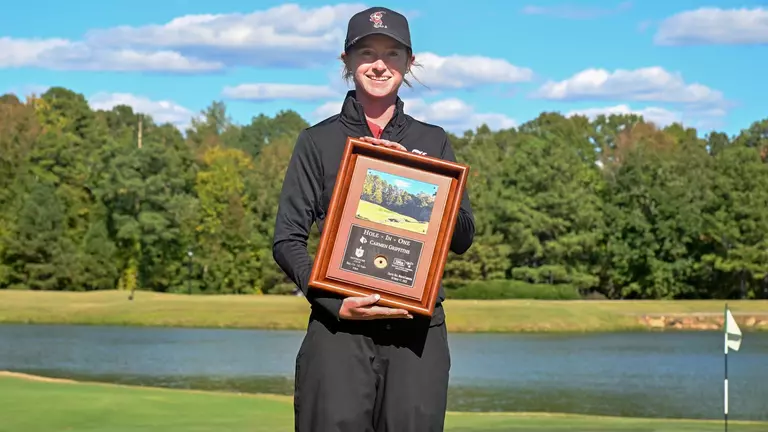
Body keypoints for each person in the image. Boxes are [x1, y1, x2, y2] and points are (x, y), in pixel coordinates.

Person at [272, 6, 475, 432]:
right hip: (338, 332)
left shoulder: (432, 140)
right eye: (366, 52)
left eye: (392, 54)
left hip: (416, 333)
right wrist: (333, 303)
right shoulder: (317, 141)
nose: (379, 64)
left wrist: (429, 186)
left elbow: (462, 238)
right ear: (346, 61)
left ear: (409, 62)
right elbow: (287, 240)